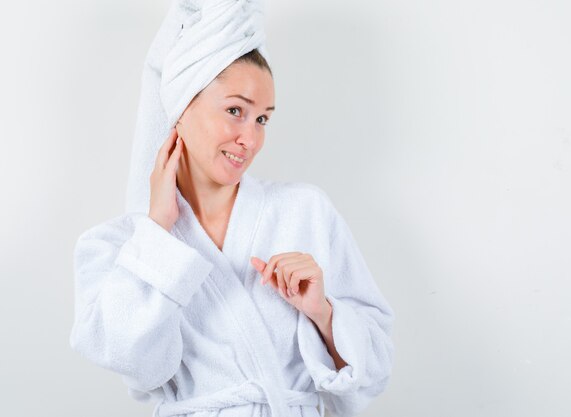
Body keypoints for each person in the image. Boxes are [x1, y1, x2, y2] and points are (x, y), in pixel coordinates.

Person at [69, 1, 394, 417]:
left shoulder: (306, 211)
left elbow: (377, 368)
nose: (250, 139)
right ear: (182, 109)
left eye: (262, 120)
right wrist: (158, 231)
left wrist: (323, 312)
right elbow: (135, 366)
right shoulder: (118, 246)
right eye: (235, 111)